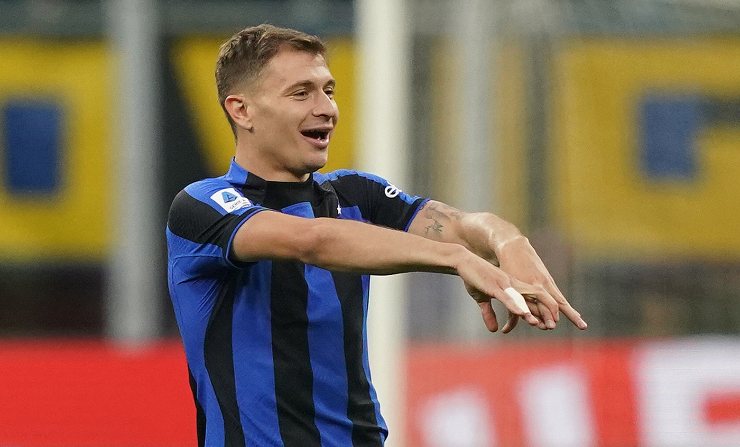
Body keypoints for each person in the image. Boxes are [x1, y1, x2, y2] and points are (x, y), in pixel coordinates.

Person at [166, 24, 587, 447]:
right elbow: (311, 241)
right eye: (301, 93)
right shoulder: (203, 206)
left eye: (328, 90)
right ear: (242, 110)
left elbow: (460, 225)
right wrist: (457, 258)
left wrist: (507, 241)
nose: (326, 108)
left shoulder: (355, 194)